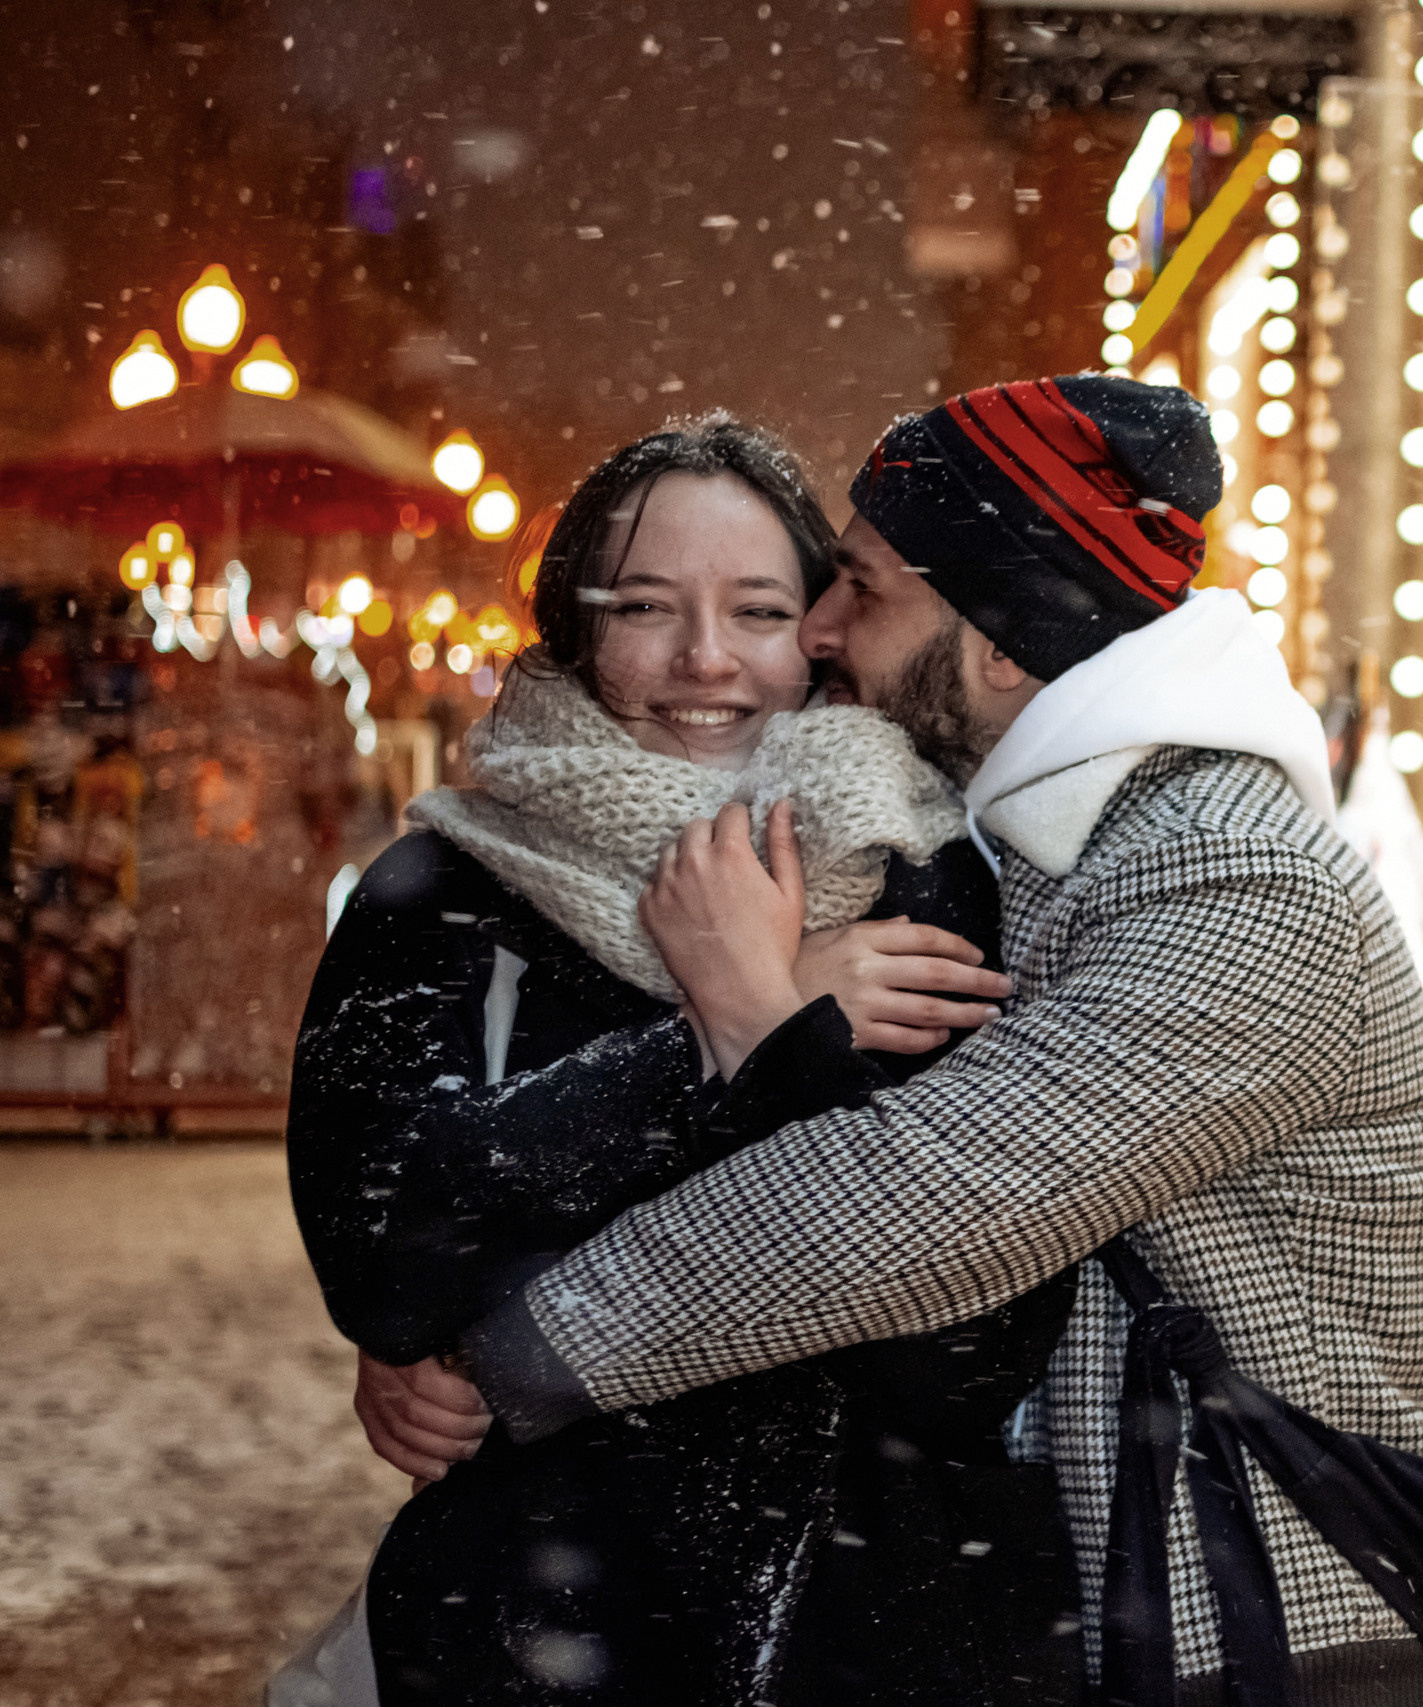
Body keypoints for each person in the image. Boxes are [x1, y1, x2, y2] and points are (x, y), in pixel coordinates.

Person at [384, 376, 1423, 1704]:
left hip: (1266, 1625)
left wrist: (505, 1353)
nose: (827, 632)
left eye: (867, 589)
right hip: (1096, 1604)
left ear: (1007, 643)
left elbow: (915, 1203)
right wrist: (418, 1308)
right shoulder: (1015, 831)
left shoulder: (1236, 883)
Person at [282, 414, 1084, 1707]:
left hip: (871, 1614)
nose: (705, 660)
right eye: (648, 605)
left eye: (758, 609)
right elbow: (384, 1255)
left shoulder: (933, 871)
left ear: (817, 629)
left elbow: (963, 1342)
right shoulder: (445, 884)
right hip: (540, 1611)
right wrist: (708, 1035)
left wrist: (765, 1020)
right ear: (576, 627)